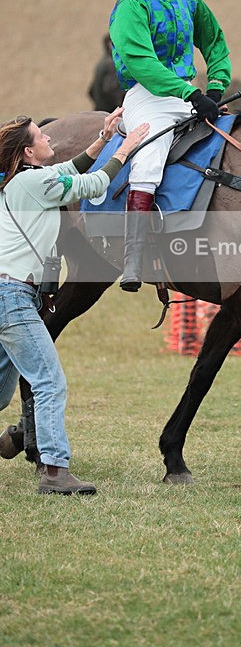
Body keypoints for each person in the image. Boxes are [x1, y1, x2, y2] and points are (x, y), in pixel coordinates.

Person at [0, 111, 149, 494]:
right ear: (29, 153)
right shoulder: (35, 183)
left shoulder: (24, 180)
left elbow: (73, 166)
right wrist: (126, 147)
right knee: (49, 381)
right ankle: (54, 472)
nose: (49, 138)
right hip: (12, 297)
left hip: (8, 295)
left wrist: (103, 137)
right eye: (40, 136)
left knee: (1, 391)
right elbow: (93, 181)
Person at [109, 0, 231, 293]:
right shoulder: (131, 3)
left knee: (239, 141)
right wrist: (189, 93)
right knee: (149, 159)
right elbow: (140, 62)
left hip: (187, 96)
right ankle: (134, 258)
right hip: (148, 97)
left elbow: (214, 42)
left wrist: (214, 87)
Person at [88, 33, 125, 112]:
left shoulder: (102, 62)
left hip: (99, 111)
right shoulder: (112, 64)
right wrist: (122, 107)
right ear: (109, 45)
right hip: (110, 113)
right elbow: (111, 89)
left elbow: (90, 92)